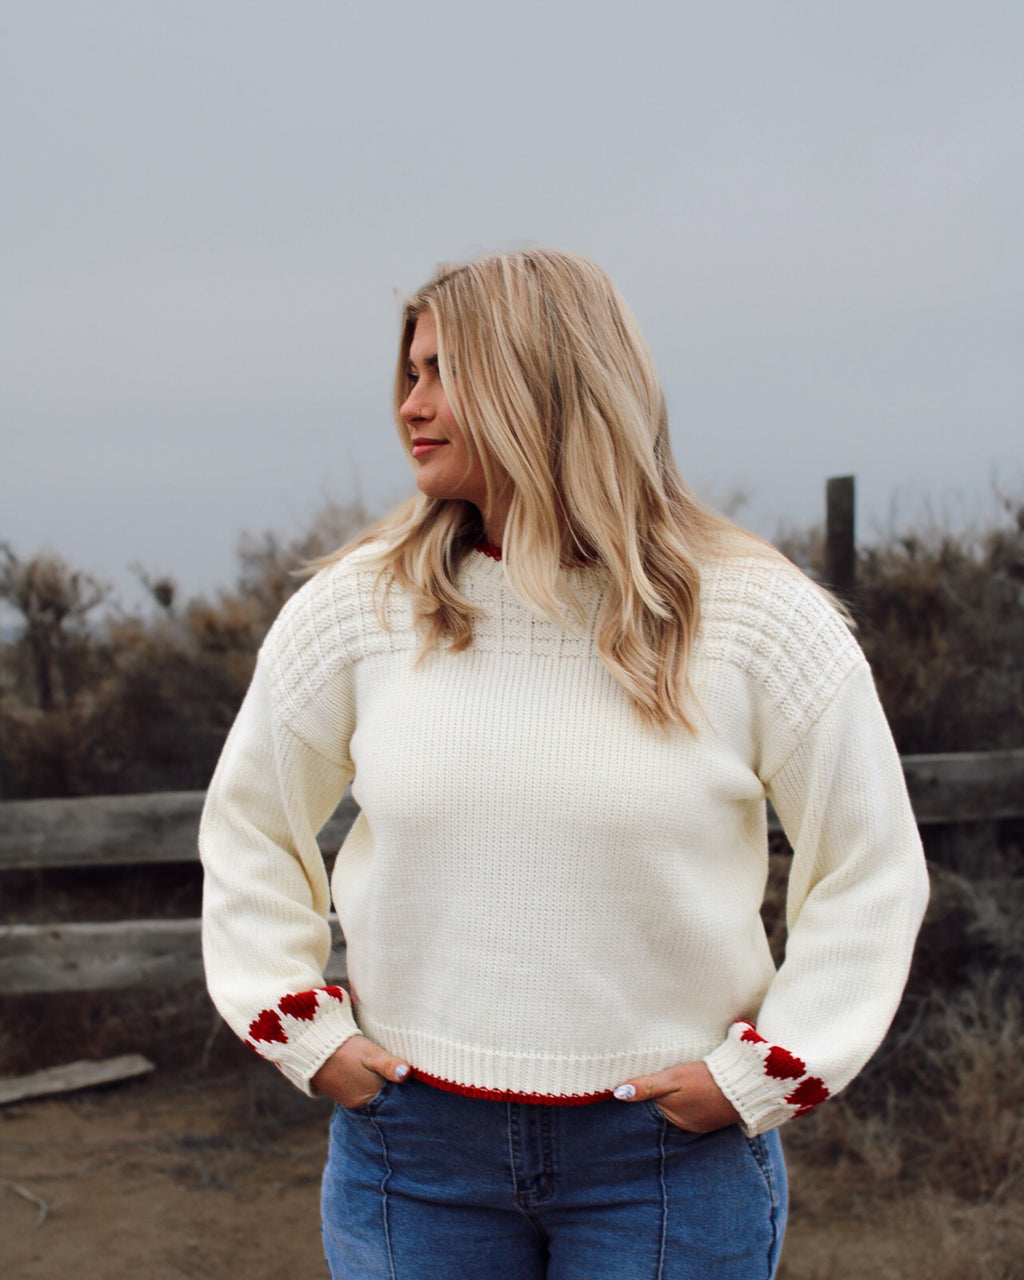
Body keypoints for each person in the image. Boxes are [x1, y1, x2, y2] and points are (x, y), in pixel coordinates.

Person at [200, 248, 929, 1279]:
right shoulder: (358, 609)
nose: (411, 404)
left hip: (667, 1159)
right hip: (414, 1148)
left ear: (546, 381)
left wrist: (770, 1071)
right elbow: (249, 828)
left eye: (445, 371)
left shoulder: (755, 618)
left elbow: (869, 863)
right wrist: (298, 1025)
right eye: (408, 374)